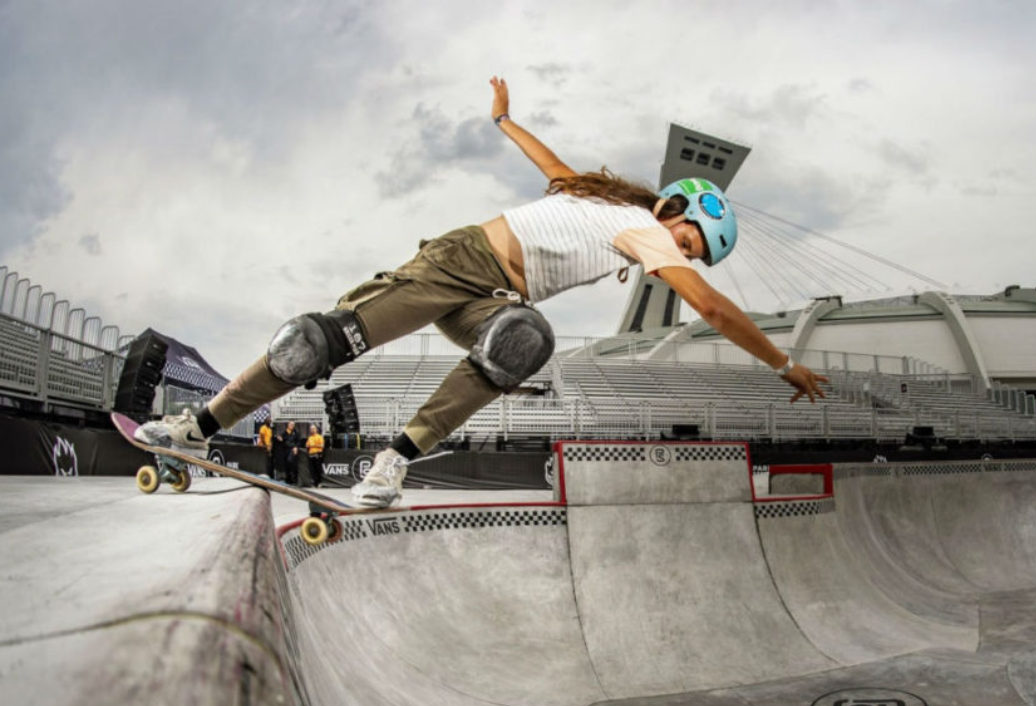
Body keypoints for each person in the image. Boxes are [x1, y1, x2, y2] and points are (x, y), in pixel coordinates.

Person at [135, 77, 830, 508]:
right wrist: (782, 364)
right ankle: (197, 427)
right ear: (675, 212)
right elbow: (709, 307)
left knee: (520, 341)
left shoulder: (601, 207)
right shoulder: (638, 224)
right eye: (688, 244)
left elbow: (551, 164)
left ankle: (391, 462)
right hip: (455, 262)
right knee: (312, 345)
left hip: (494, 296)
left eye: (692, 255)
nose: (681, 258)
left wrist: (505, 122)